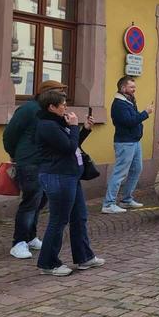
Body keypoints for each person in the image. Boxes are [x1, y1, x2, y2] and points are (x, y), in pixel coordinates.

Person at [35, 90, 104, 276]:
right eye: (63, 104)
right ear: (51, 107)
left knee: (79, 217)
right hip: (58, 176)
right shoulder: (47, 125)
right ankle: (48, 263)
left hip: (71, 175)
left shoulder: (58, 122)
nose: (66, 107)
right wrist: (74, 127)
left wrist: (84, 130)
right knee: (58, 221)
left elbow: (74, 144)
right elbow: (68, 147)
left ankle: (84, 257)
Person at [4, 80, 67, 260]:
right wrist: (14, 154)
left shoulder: (52, 110)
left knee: (40, 200)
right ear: (46, 93)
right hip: (30, 162)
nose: (63, 96)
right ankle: (19, 242)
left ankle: (30, 236)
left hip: (47, 162)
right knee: (31, 200)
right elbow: (10, 134)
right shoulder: (28, 109)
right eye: (59, 92)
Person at [103, 76, 153, 214]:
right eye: (131, 87)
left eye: (134, 87)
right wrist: (145, 113)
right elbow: (130, 121)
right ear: (123, 88)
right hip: (125, 142)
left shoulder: (129, 101)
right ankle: (108, 203)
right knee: (120, 172)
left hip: (134, 141)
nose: (134, 90)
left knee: (136, 169)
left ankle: (126, 199)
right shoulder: (119, 104)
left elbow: (134, 119)